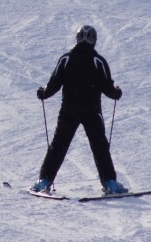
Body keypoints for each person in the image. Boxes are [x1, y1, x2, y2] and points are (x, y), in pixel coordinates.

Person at [31, 25, 128, 195]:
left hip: (69, 110)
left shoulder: (66, 59)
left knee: (59, 145)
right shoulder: (98, 61)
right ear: (94, 40)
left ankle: (44, 181)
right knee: (99, 146)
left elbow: (54, 83)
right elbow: (107, 87)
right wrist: (116, 93)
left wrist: (44, 93)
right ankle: (110, 183)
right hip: (92, 111)